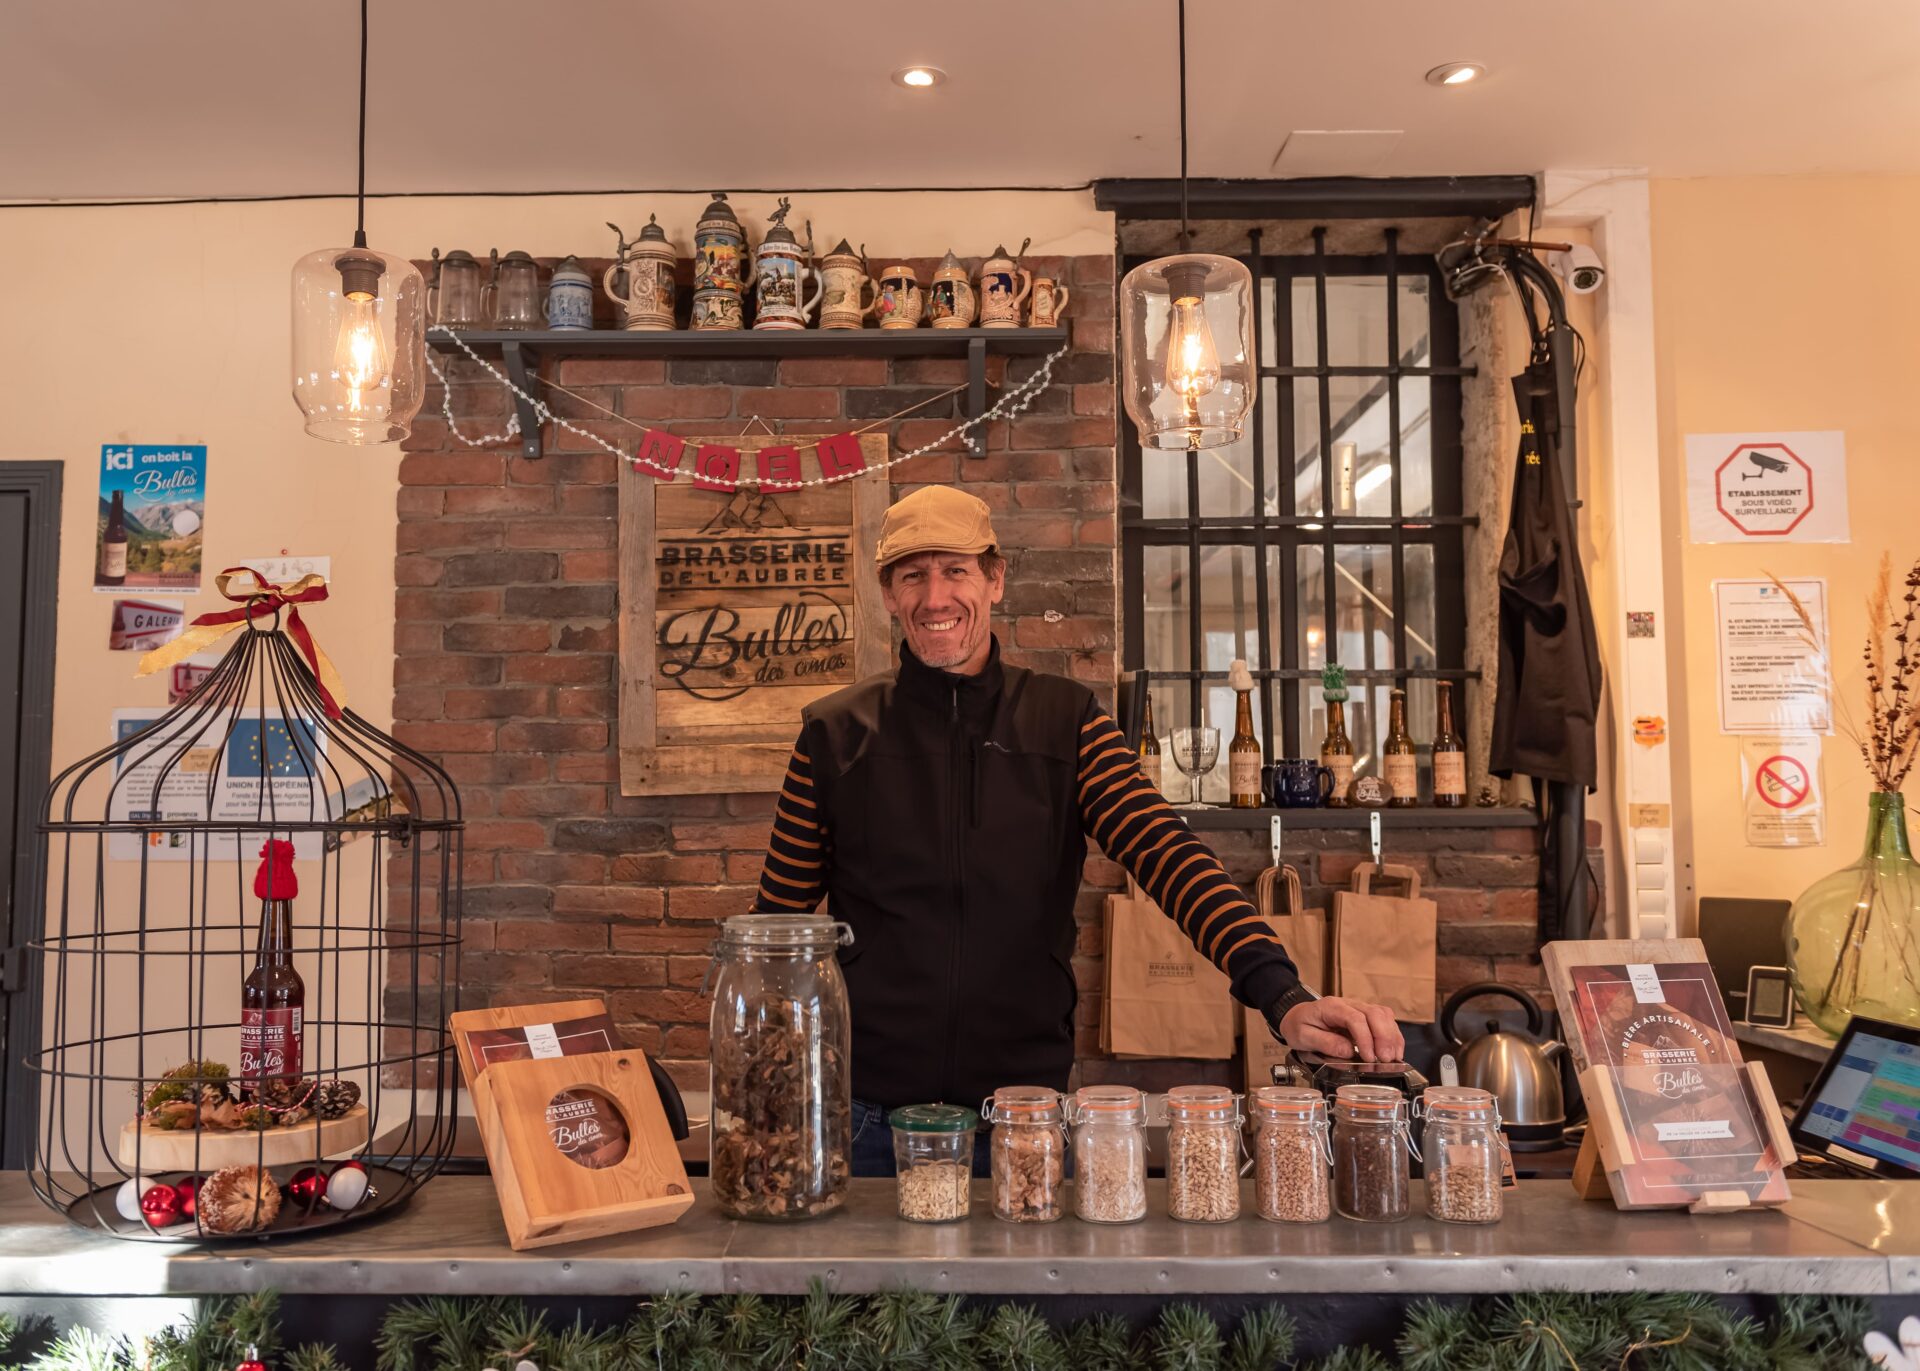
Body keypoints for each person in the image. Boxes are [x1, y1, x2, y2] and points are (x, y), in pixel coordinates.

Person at [753, 485, 1405, 1175]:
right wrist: (766, 1090)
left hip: (1022, 1115)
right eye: (913, 574)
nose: (935, 596)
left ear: (995, 578)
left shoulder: (1064, 722)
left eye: (955, 571)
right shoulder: (833, 735)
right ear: (888, 592)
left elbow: (1168, 855)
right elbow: (774, 932)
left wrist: (1284, 997)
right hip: (864, 1119)